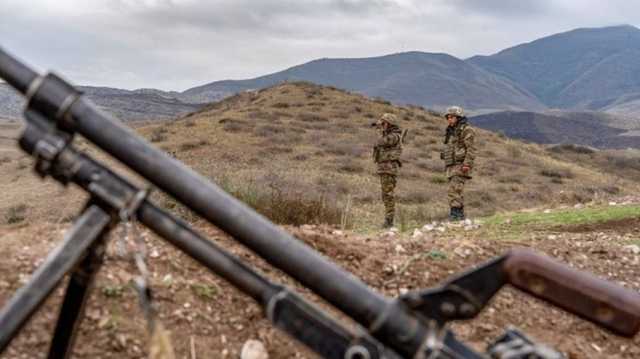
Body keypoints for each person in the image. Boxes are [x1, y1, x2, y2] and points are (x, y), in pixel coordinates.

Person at [441, 106, 476, 221]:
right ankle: (458, 215)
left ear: (458, 117)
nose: (449, 119)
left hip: (461, 165)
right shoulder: (451, 131)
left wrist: (467, 164)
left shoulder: (466, 130)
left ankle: (456, 216)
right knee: (454, 191)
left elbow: (471, 149)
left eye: (452, 117)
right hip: (452, 166)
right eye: (448, 117)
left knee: (454, 190)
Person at [372, 113, 403, 228]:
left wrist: (379, 130)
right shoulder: (388, 134)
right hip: (384, 168)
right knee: (385, 195)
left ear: (390, 124)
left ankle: (389, 221)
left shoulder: (394, 136)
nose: (382, 125)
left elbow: (382, 142)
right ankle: (388, 220)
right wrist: (381, 128)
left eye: (384, 123)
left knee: (388, 195)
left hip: (389, 169)